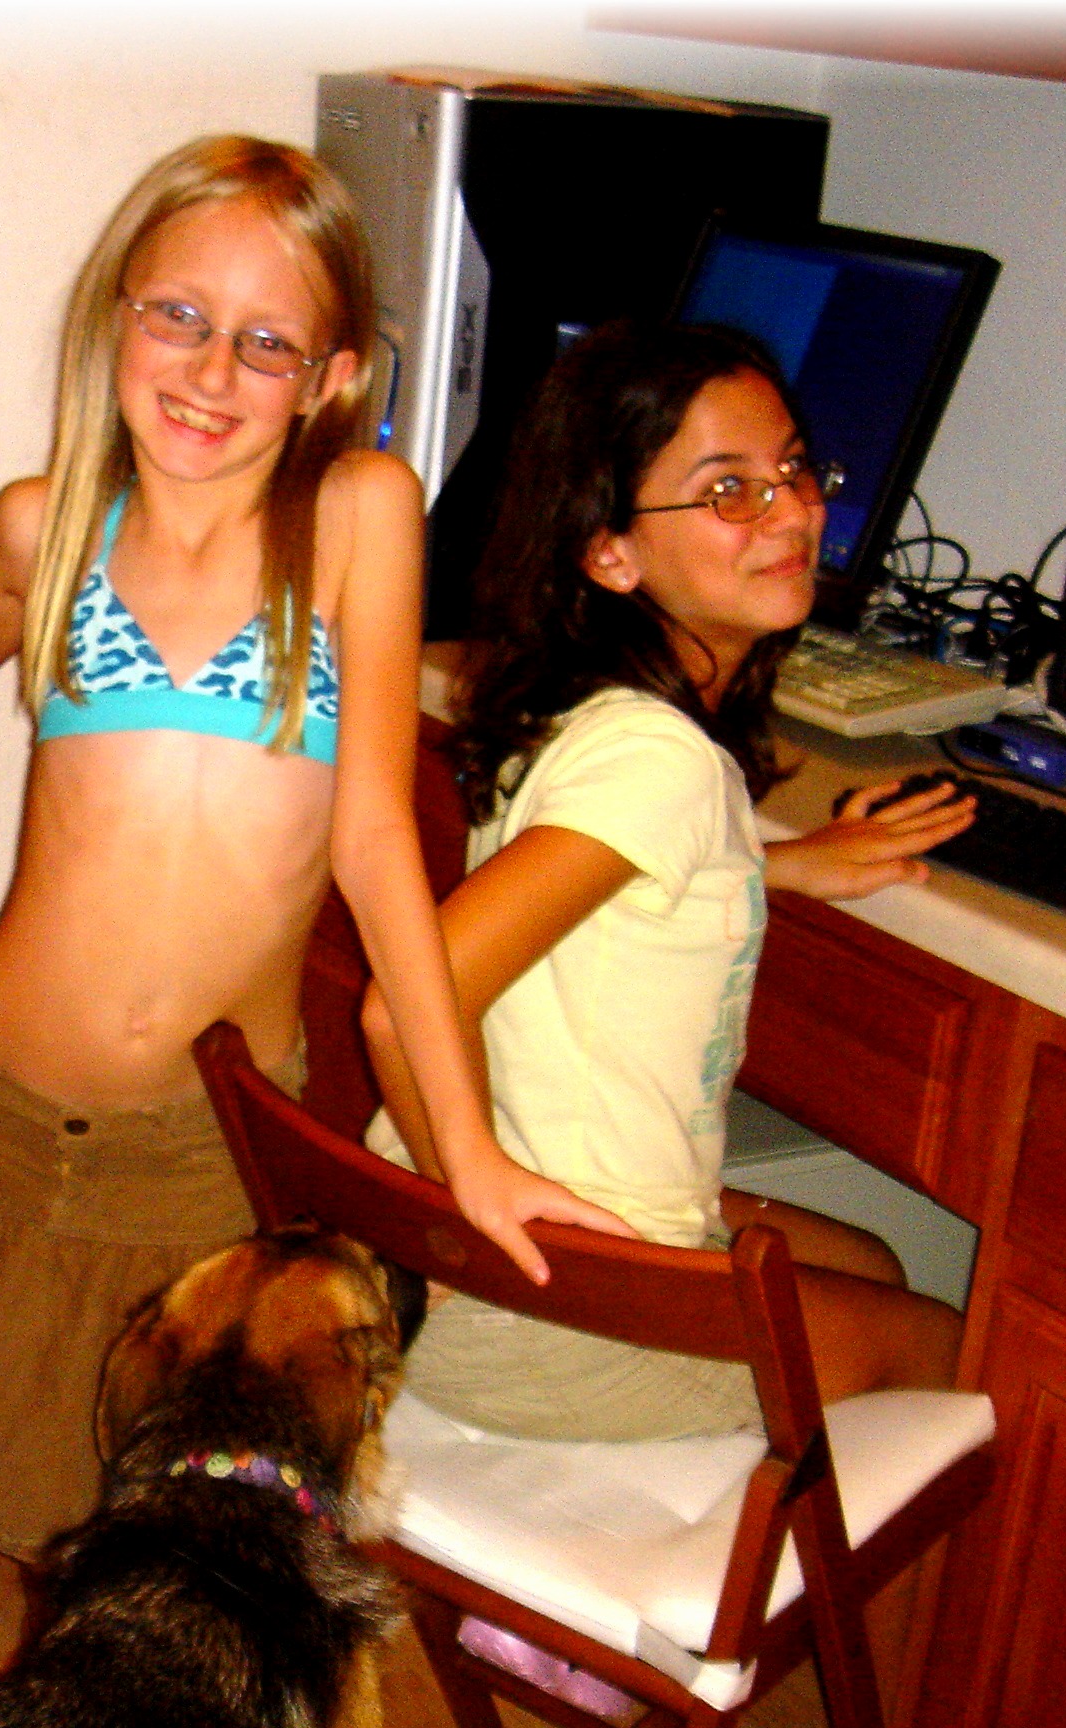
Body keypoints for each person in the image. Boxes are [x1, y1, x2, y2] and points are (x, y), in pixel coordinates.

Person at [0, 135, 630, 1563]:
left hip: (200, 1148)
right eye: (177, 316)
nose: (211, 371)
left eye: (265, 343)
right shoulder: (42, 527)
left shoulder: (357, 518)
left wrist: (468, 1146)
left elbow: (375, 838)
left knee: (164, 1537)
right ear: (116, 312)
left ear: (332, 376)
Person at [363, 317, 973, 1447]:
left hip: (431, 1263)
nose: (790, 512)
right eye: (728, 491)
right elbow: (403, 1001)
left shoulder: (585, 711)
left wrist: (768, 867)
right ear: (611, 554)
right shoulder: (662, 764)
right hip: (546, 1308)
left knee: (870, 1263)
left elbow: (593, 890)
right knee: (936, 1343)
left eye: (794, 469)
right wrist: (475, 1188)